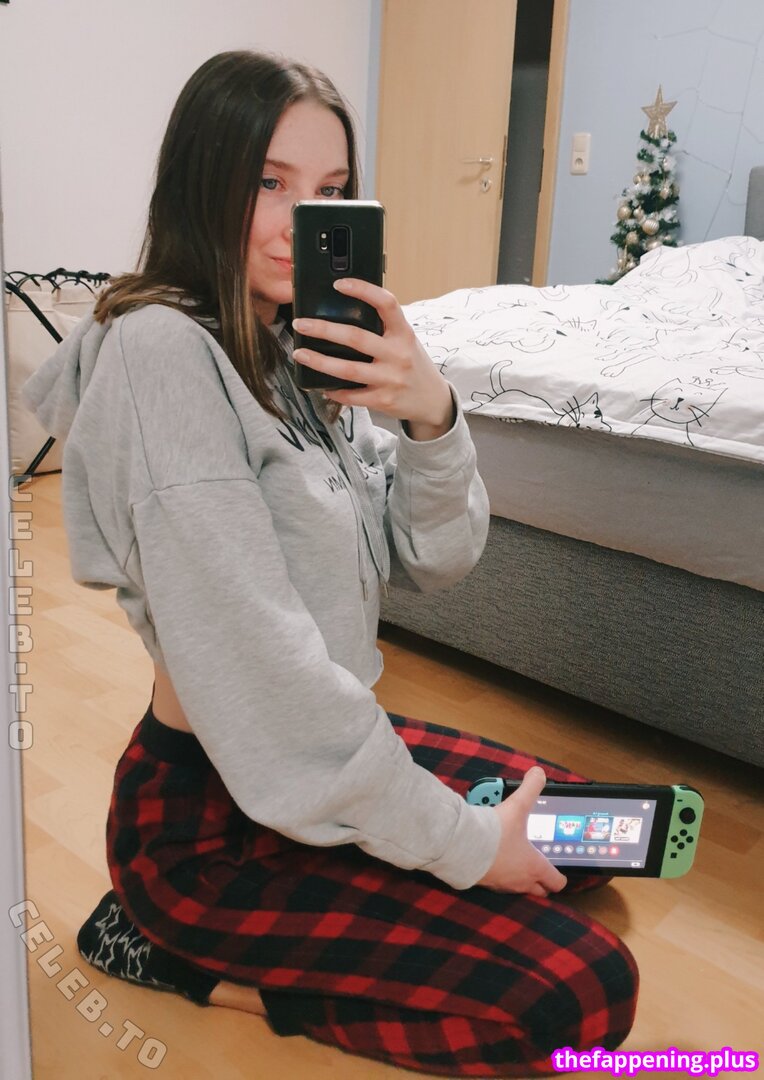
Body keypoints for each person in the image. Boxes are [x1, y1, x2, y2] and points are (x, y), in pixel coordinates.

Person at [20, 50, 638, 1077]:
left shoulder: (296, 348)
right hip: (215, 823)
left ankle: (371, 871)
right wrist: (464, 846)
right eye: (268, 181)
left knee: (586, 824)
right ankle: (168, 949)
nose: (295, 221)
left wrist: (431, 416)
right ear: (203, 180)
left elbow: (432, 559)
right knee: (582, 990)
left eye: (328, 190)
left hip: (316, 749)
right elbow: (266, 684)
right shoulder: (162, 355)